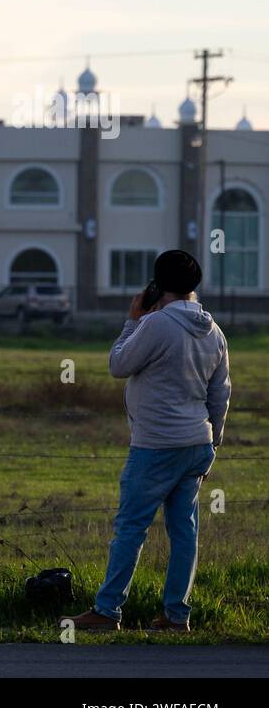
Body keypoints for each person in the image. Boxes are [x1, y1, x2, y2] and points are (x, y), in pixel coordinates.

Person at [62, 249, 231, 633]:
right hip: (196, 444)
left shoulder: (155, 326)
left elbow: (118, 365)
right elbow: (220, 394)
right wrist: (213, 444)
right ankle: (176, 616)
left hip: (156, 444)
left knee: (131, 528)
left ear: (157, 285)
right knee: (184, 532)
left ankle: (107, 611)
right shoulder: (215, 332)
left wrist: (131, 321)